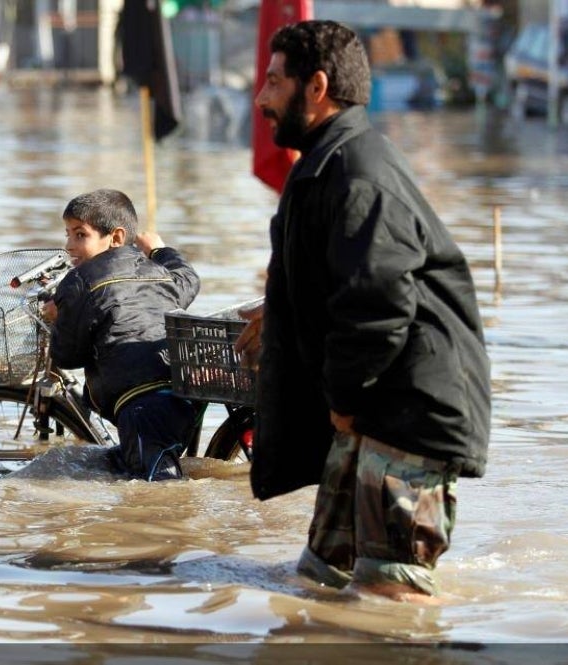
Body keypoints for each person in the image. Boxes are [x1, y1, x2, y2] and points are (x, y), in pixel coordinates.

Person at [235, 21, 491, 601]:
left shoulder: (359, 173)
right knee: (319, 577)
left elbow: (378, 301)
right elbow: (337, 278)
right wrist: (278, 312)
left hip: (405, 411)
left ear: (317, 86)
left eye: (274, 83)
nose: (261, 99)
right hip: (371, 405)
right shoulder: (328, 162)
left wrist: (346, 400)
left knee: (391, 599)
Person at [43, 189, 201, 481]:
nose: (69, 245)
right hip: (185, 394)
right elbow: (188, 279)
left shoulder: (78, 281)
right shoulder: (158, 270)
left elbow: (67, 355)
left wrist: (59, 317)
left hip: (142, 408)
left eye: (80, 235)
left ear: (115, 237)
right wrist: (159, 249)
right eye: (67, 234)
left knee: (159, 497)